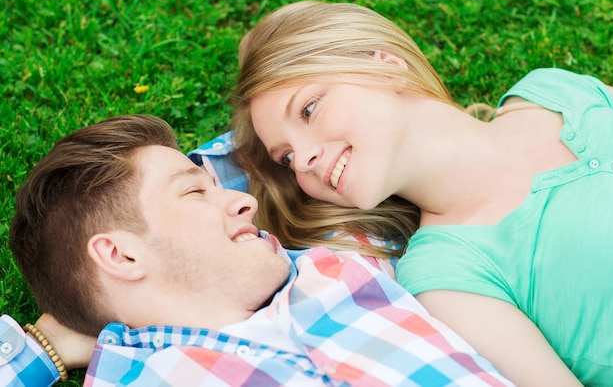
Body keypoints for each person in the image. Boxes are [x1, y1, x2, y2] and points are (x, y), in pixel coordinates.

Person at [230, 0, 613, 386]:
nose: (302, 162)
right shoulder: (446, 276)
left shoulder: (553, 93)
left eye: (308, 110)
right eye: (286, 158)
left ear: (385, 66)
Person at [2, 114, 511, 386]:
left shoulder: (340, 263)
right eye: (194, 191)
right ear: (120, 256)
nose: (245, 201)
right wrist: (42, 347)